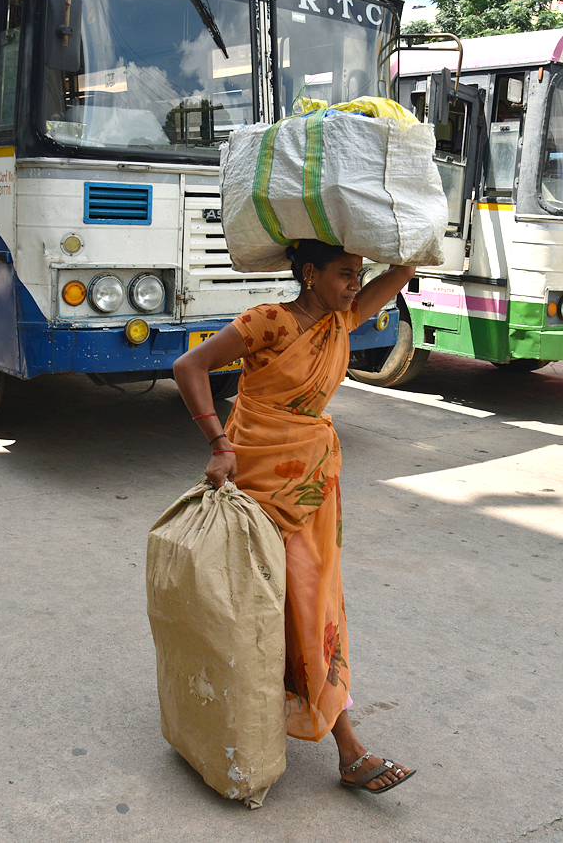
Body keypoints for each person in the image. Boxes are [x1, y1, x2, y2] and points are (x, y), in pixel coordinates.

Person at [173, 239, 417, 794]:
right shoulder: (270, 323)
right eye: (344, 274)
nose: (355, 284)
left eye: (359, 274)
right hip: (259, 484)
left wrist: (406, 256)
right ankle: (347, 748)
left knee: (311, 605)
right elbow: (190, 365)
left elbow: (396, 276)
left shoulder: (341, 318)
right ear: (310, 273)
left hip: (312, 488)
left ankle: (342, 742)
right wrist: (218, 443)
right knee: (266, 610)